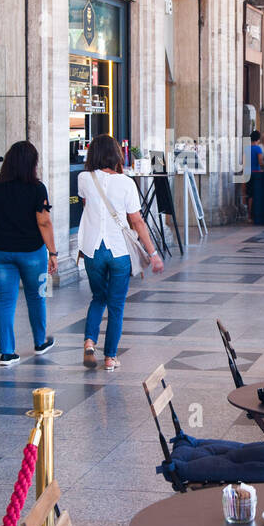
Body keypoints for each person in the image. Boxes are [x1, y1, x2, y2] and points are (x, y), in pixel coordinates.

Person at [78, 135, 163, 370]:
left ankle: (88, 341)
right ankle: (110, 357)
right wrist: (152, 253)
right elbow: (137, 222)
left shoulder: (84, 178)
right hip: (118, 252)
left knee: (98, 298)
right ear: (116, 155)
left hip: (93, 250)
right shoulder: (126, 183)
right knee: (116, 305)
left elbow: (88, 206)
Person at [0, 140, 58, 367]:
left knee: (5, 300)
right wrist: (53, 253)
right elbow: (44, 222)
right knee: (37, 297)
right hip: (31, 252)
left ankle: (7, 352)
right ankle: (40, 342)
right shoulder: (37, 188)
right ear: (32, 163)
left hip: (0, 251)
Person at [245, 129, 264, 221]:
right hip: (255, 173)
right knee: (254, 195)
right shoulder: (258, 148)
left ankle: (248, 215)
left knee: (248, 194)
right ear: (258, 139)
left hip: (247, 172)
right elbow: (260, 161)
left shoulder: (246, 148)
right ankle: (252, 215)